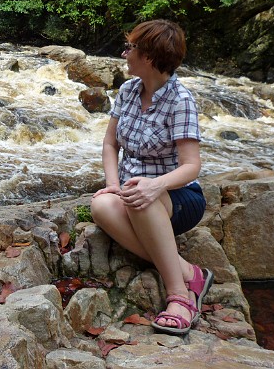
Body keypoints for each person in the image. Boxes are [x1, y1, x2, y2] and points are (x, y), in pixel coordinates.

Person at [90, 19, 213, 335]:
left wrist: (155, 185)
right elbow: (110, 143)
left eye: (130, 47)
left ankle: (180, 296)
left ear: (148, 57)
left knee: (141, 199)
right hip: (134, 194)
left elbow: (191, 166)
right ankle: (188, 270)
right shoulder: (129, 90)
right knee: (101, 207)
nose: (124, 53)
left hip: (178, 197)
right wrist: (112, 185)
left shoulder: (181, 100)